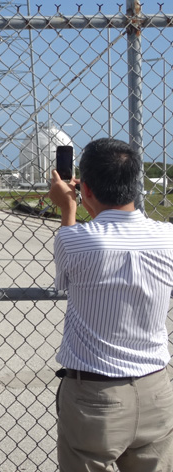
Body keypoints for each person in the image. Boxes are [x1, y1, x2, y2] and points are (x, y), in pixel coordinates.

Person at [48, 137, 173, 471]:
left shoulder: (73, 240)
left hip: (95, 395)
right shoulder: (168, 237)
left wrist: (68, 208)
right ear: (136, 185)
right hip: (156, 389)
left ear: (85, 188)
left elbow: (65, 283)